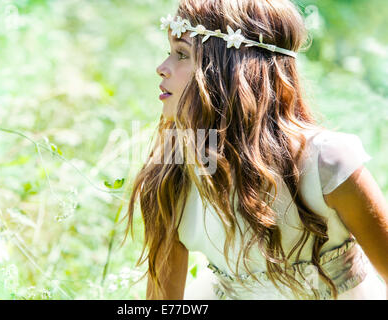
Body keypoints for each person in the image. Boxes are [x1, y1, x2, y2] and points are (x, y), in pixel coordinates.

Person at [124, 0, 388, 300]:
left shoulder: (325, 162)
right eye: (169, 53)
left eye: (182, 54)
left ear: (230, 71)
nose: (162, 68)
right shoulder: (172, 168)